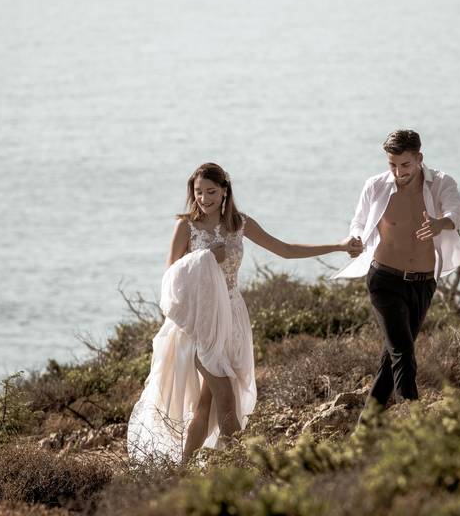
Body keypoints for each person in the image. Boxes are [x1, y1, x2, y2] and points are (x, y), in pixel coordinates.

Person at [127, 162, 361, 463]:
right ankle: (245, 465)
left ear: (225, 191)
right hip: (201, 322)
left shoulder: (240, 224)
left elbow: (286, 249)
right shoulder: (185, 226)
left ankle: (183, 467)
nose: (204, 198)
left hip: (233, 317)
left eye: (211, 191)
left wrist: (339, 246)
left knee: (207, 400)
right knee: (226, 394)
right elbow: (170, 278)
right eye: (199, 192)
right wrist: (206, 256)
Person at [333, 129, 460, 412]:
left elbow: (457, 213)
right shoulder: (375, 186)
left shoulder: (441, 183)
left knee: (392, 357)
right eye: (392, 165)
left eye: (405, 164)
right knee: (404, 354)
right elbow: (358, 222)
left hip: (423, 282)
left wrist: (439, 223)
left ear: (419, 158)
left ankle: (365, 432)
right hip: (384, 279)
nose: (398, 171)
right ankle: (415, 424)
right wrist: (356, 239)